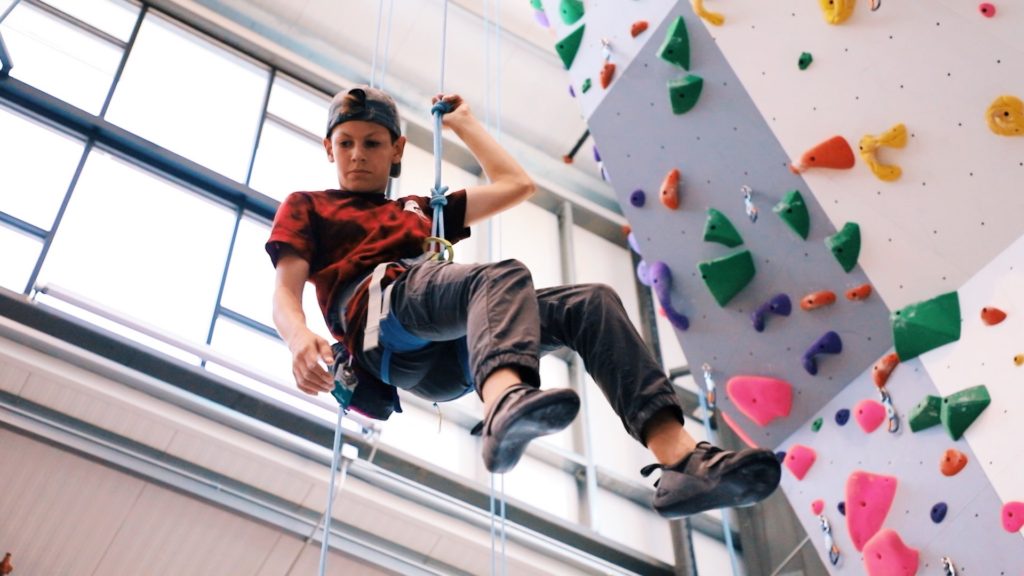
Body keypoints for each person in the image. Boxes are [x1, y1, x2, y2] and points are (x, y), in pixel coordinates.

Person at [266, 85, 781, 517]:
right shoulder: (310, 206)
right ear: (328, 149)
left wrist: (465, 124)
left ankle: (682, 463)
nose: (359, 154)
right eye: (347, 143)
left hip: (451, 355)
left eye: (373, 143)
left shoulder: (422, 210)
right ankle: (504, 405)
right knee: (497, 278)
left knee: (590, 303)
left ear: (397, 150)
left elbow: (518, 185)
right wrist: (298, 339)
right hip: (380, 322)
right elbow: (286, 291)